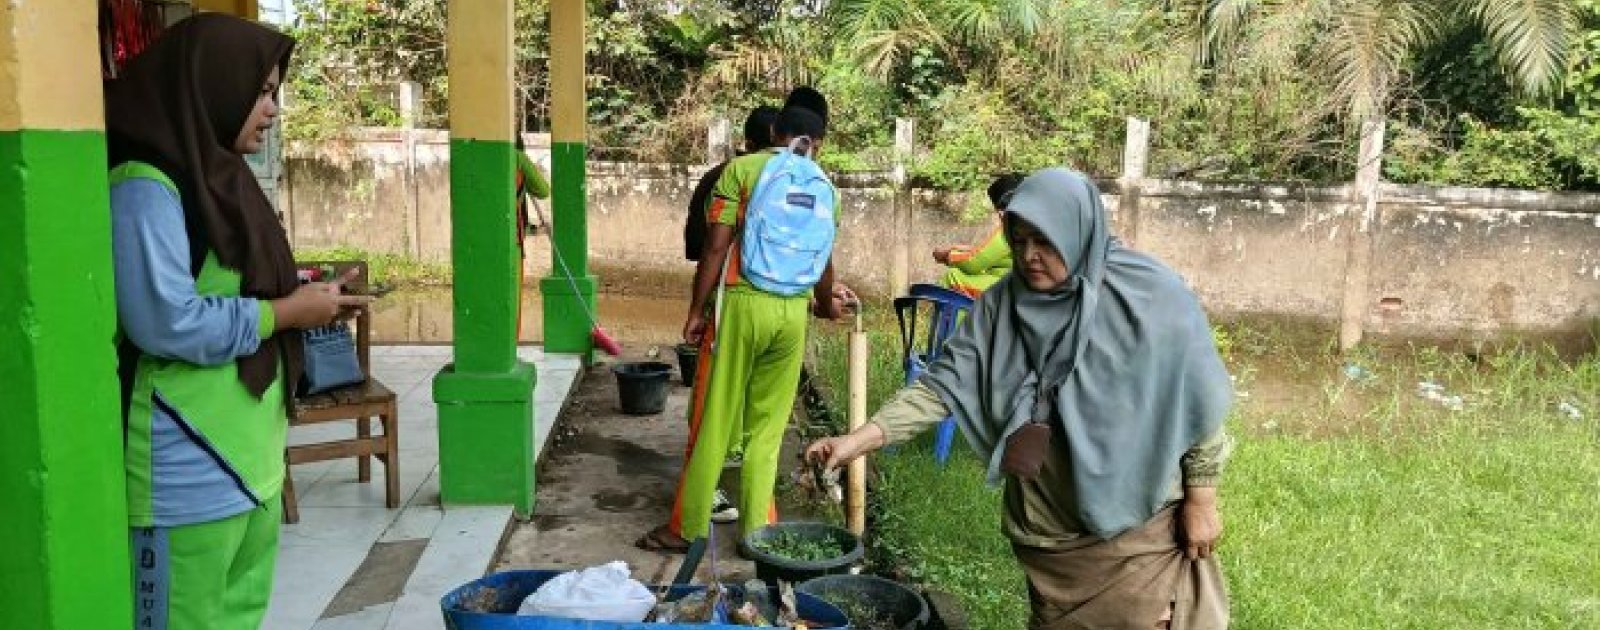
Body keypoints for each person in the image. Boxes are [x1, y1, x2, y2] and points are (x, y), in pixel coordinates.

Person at [806, 169, 1234, 630]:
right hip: (1048, 528)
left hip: (1139, 529)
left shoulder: (1148, 297)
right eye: (1019, 239)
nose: (1029, 256)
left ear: (1078, 233)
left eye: (1045, 242)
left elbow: (1199, 397)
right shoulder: (1002, 306)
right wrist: (859, 440)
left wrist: (1202, 499)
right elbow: (942, 384)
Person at [104, 14, 370, 630]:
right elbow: (165, 322)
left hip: (252, 463)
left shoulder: (221, 178)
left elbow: (229, 279)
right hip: (186, 469)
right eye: (261, 91)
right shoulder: (146, 187)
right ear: (211, 84)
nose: (271, 109)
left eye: (273, 92)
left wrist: (305, 294)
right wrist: (284, 313)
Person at [637, 88, 854, 552]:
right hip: (793, 314)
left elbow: (715, 247)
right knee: (769, 429)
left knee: (715, 419)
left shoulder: (743, 171)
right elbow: (824, 260)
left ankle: (688, 528)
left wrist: (696, 311)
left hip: (741, 303)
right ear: (820, 142)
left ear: (773, 132)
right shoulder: (825, 188)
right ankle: (757, 533)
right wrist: (821, 304)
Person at [682, 105, 782, 524]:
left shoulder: (729, 175)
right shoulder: (794, 178)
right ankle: (755, 522)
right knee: (754, 419)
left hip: (731, 303)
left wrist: (697, 309)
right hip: (776, 308)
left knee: (712, 404)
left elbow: (702, 247)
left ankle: (700, 507)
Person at [934, 173, 1023, 297]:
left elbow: (973, 263)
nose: (1000, 214)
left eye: (1003, 207)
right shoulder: (1032, 224)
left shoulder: (1012, 227)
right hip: (1015, 286)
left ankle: (953, 317)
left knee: (953, 276)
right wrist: (961, 249)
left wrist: (946, 255)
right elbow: (987, 253)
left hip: (1008, 289)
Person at [514, 130, 552, 340]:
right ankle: (509, 350)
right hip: (511, 244)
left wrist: (535, 229)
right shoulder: (517, 158)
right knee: (511, 300)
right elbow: (543, 190)